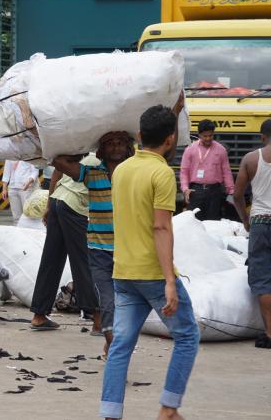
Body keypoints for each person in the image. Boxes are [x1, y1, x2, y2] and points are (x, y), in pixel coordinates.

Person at [101, 105, 200, 420]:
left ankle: (110, 413)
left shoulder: (121, 171)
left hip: (123, 272)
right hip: (152, 274)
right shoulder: (161, 174)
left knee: (120, 346)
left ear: (140, 136)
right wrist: (170, 281)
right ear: (171, 140)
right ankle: (169, 408)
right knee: (187, 335)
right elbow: (160, 227)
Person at [51, 131, 135, 356]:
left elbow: (164, 156)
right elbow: (58, 161)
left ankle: (114, 344)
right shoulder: (91, 174)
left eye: (121, 143)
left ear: (128, 148)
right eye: (110, 144)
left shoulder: (135, 174)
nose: (116, 148)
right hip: (99, 251)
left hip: (129, 251)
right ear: (101, 150)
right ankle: (114, 348)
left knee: (126, 303)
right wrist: (82, 144)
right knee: (107, 302)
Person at [30, 154, 100, 331]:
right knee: (83, 262)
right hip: (74, 208)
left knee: (51, 258)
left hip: (57, 201)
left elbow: (56, 172)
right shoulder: (103, 161)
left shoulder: (78, 154)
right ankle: (98, 320)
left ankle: (39, 315)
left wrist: (48, 206)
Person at [232, 119, 271, 349]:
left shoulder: (251, 159)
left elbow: (237, 195)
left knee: (263, 279)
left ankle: (269, 333)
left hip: (260, 223)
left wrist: (245, 219)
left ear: (262, 137)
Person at [180, 119, 234, 220]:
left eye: (211, 135)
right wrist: (185, 189)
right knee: (194, 222)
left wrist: (231, 191)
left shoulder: (221, 150)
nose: (208, 138)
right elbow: (184, 171)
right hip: (195, 191)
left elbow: (226, 171)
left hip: (215, 191)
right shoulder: (190, 149)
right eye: (205, 136)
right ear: (199, 135)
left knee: (213, 222)